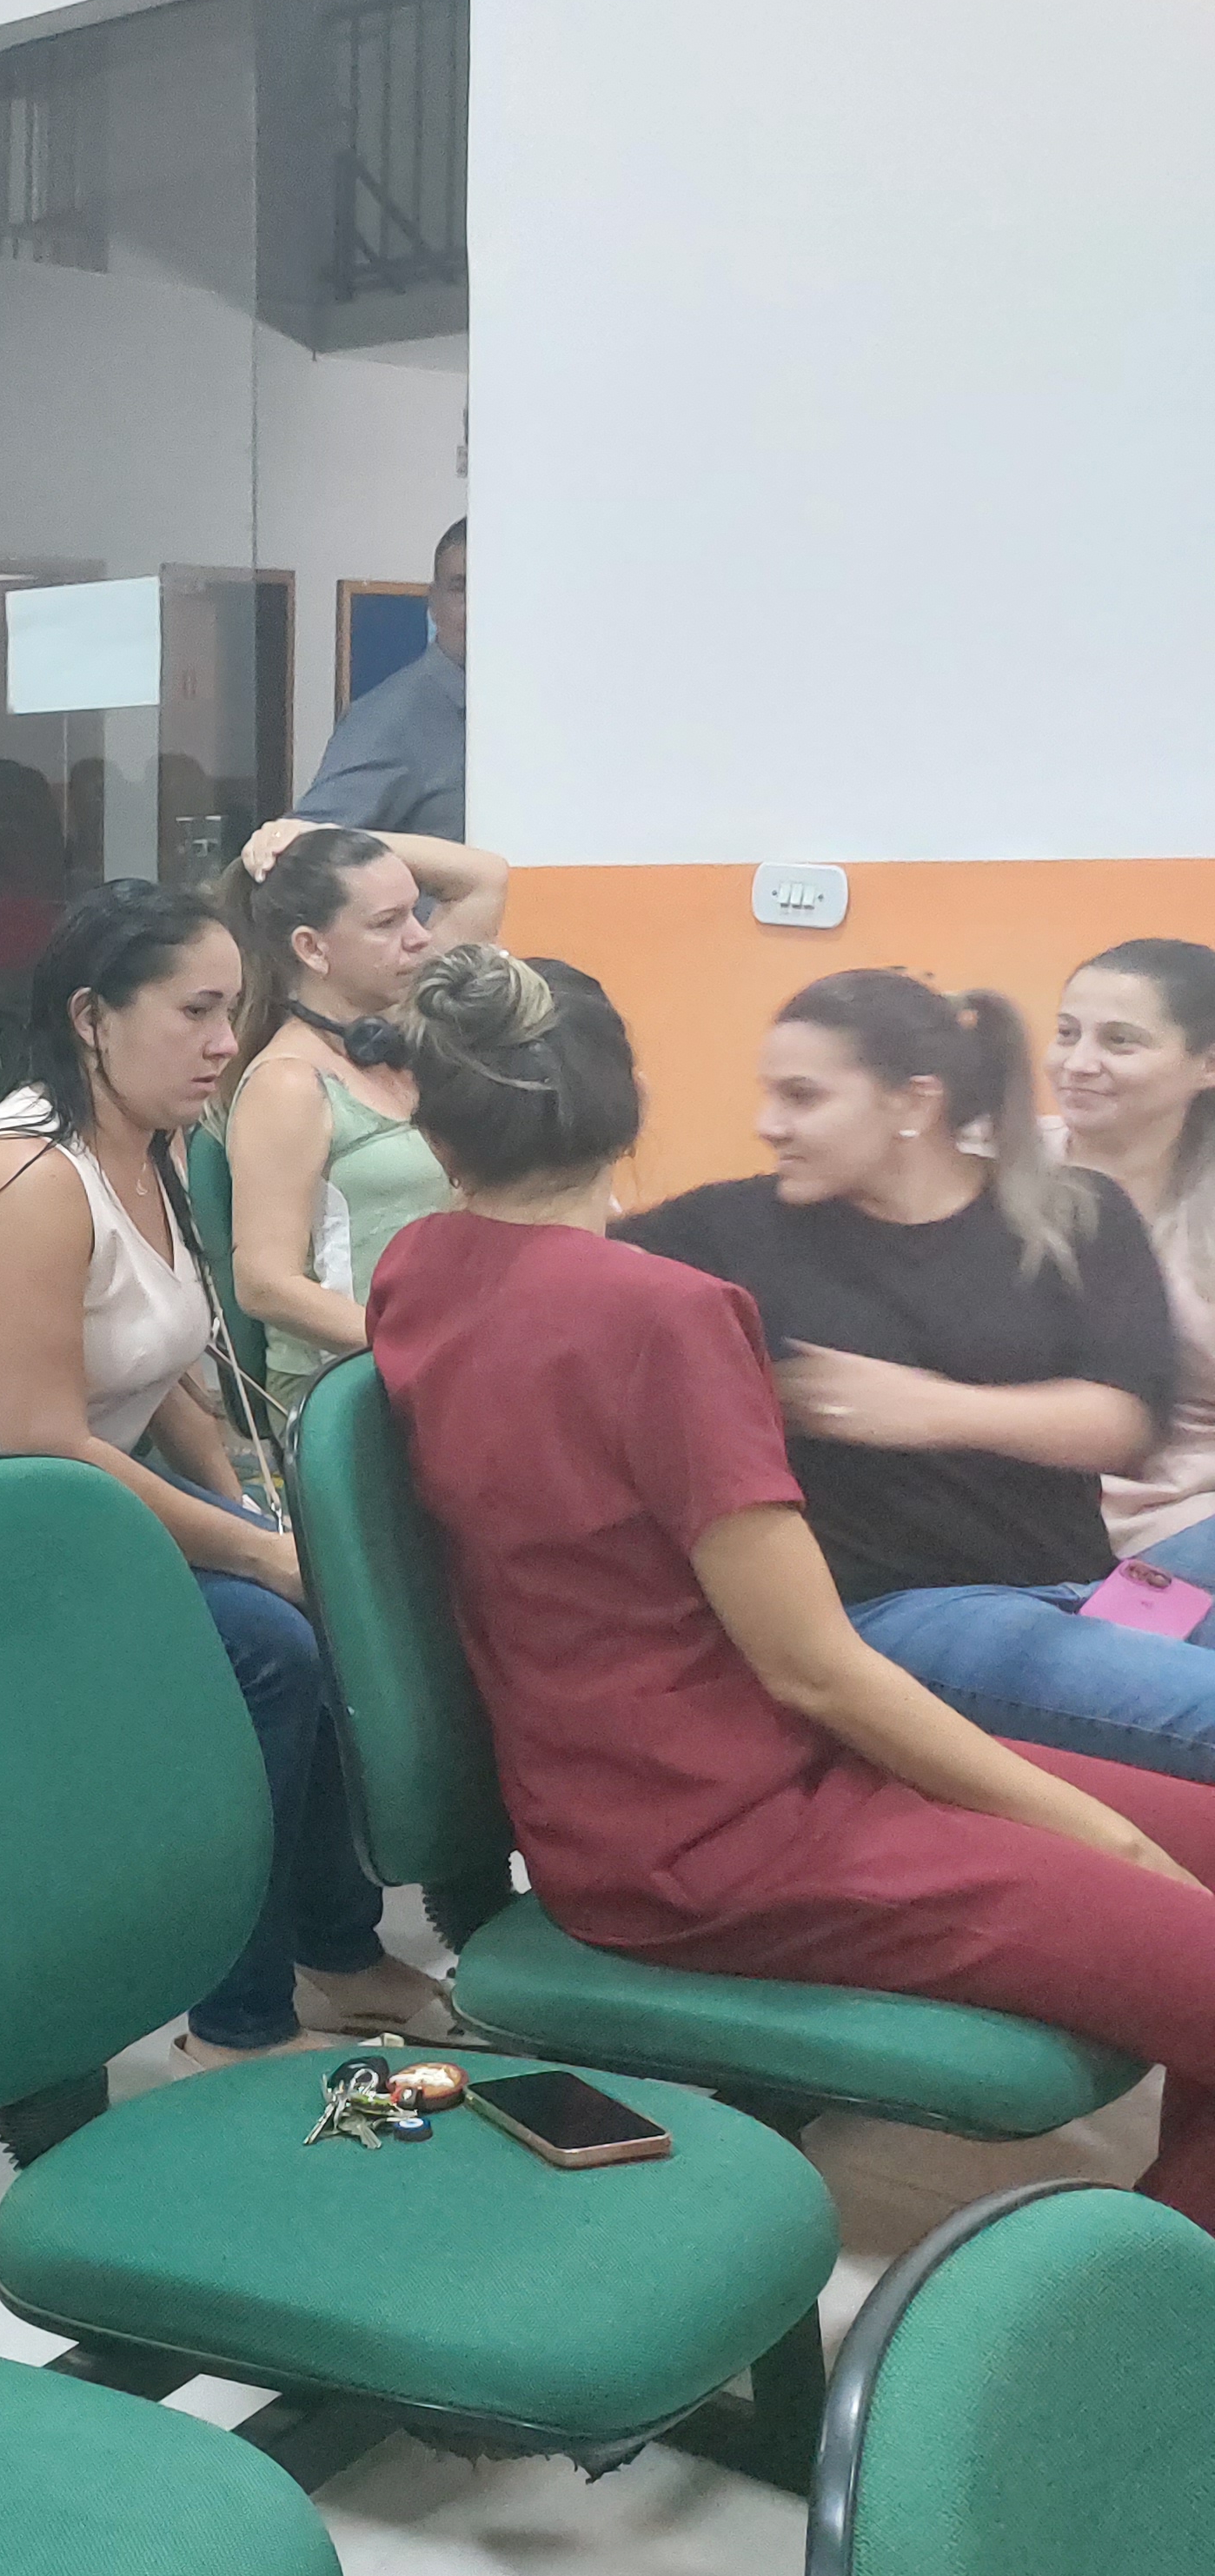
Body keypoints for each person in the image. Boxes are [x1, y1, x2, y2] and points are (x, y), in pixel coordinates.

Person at [364, 946, 1215, 2231]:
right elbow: (815, 1668)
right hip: (716, 1831)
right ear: (628, 1106)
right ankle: (1152, 2305)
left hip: (682, 1784)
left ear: (432, 1127)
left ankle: (1169, 2260)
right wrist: (1106, 1837)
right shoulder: (667, 1310)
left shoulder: (419, 1264)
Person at [0, 880, 446, 2066]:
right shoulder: (21, 1177)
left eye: (232, 1010)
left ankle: (336, 1951)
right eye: (195, 1011)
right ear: (92, 1016)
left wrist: (246, 1508)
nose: (224, 1043)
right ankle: (236, 2021)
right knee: (270, 1647)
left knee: (322, 1608)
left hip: (53, 1499)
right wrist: (258, 1557)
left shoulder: (157, 1142)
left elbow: (166, 1374)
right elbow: (45, 1439)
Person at [620, 969, 1215, 1783]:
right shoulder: (725, 1228)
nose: (768, 1125)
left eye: (802, 1097)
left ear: (913, 1102)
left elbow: (1125, 1424)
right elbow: (562, 1259)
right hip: (904, 1612)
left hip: (1085, 1585)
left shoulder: (1076, 1210)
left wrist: (926, 1408)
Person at [214, 815, 509, 1402]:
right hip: (351, 1383)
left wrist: (317, 833)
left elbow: (486, 877)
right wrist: (423, 1345)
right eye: (386, 922)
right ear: (311, 948)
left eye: (415, 912)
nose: (419, 938)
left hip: (438, 1363)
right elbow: (264, 1284)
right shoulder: (288, 1084)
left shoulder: (407, 1023)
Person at [1053, 938, 1215, 1576]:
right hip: (1021, 1516)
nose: (1078, 1064)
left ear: (1207, 1064)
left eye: (1120, 1042)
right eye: (1067, 1033)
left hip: (1190, 1519)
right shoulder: (984, 1170)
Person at [295, 516, 468, 840]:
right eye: (461, 589)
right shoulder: (391, 719)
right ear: (433, 603)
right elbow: (310, 846)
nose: (479, 607)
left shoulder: (522, 711)